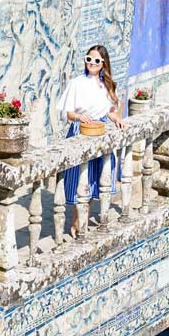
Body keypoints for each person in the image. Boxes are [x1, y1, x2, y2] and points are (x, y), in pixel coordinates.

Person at [58, 45, 126, 236]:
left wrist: (117, 119)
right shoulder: (77, 83)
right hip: (81, 131)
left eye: (96, 60)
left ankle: (82, 221)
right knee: (81, 177)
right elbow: (69, 112)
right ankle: (77, 222)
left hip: (100, 132)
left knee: (95, 178)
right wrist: (80, 117)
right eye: (89, 59)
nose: (91, 63)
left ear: (103, 63)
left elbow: (110, 111)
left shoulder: (106, 85)